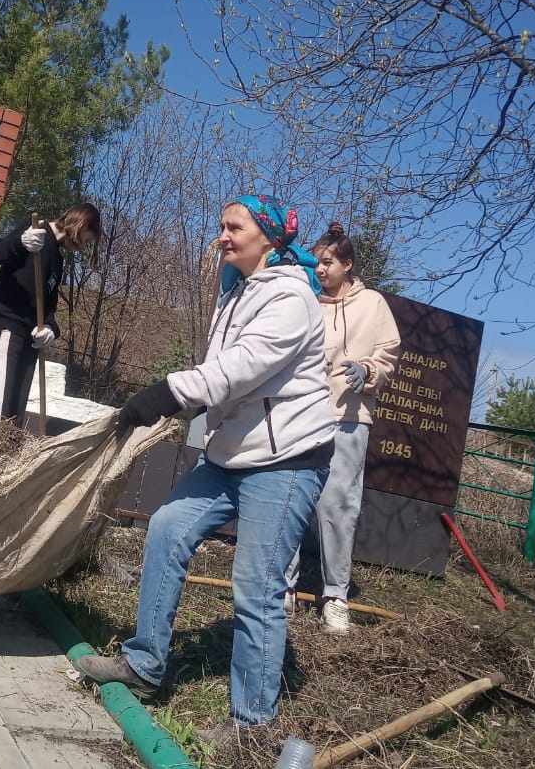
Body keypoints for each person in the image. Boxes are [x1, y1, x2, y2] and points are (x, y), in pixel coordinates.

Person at [75, 194, 336, 748]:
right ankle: (144, 665)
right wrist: (188, 404)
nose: (222, 235)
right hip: (231, 453)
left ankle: (251, 726)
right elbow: (220, 372)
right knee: (168, 528)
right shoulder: (237, 290)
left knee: (256, 585)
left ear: (267, 235)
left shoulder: (290, 298)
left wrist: (168, 393)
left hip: (286, 457)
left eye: (233, 227)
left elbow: (239, 371)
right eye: (220, 225)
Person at [285, 222, 400, 633]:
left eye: (328, 262)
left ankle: (336, 595)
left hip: (348, 418)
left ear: (348, 265)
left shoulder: (374, 304)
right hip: (300, 414)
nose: (319, 269)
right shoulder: (305, 301)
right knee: (290, 498)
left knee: (338, 506)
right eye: (316, 261)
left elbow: (388, 354)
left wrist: (367, 370)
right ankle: (284, 586)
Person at [0, 204, 102, 421]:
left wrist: (51, 330)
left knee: (12, 422)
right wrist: (20, 243)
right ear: (79, 224)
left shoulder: (58, 260)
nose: (82, 247)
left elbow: (48, 308)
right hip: (5, 334)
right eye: (86, 239)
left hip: (29, 345)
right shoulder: (35, 229)